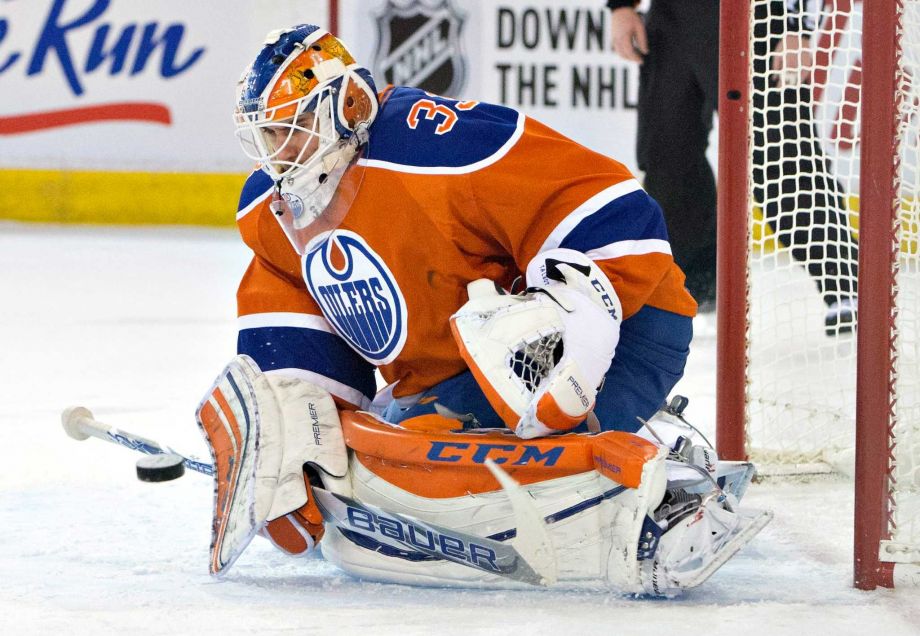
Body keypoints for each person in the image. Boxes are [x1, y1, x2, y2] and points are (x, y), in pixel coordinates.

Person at [194, 24, 770, 595]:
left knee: (463, 427)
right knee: (391, 456)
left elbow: (618, 213)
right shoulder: (271, 212)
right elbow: (293, 331)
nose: (277, 156)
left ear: (343, 106)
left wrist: (577, 332)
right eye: (266, 138)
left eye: (288, 133)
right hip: (465, 369)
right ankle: (611, 431)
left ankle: (668, 480)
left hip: (632, 322)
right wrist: (299, 432)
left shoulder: (443, 144)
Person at [608, 0, 858, 332]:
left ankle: (846, 285)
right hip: (672, 20)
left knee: (781, 162)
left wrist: (798, 26)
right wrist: (621, 6)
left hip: (758, 18)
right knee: (666, 161)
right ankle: (702, 283)